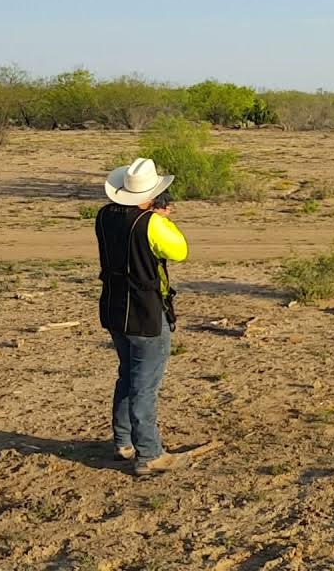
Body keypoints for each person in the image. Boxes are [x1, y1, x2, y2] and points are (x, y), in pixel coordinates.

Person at [95, 157, 189, 476]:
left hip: (113, 307)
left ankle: (123, 442)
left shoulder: (104, 215)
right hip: (145, 311)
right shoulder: (152, 223)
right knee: (145, 384)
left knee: (128, 376)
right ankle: (148, 453)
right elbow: (179, 251)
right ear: (151, 197)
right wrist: (162, 219)